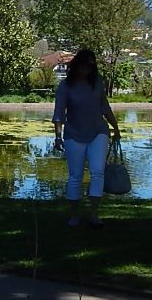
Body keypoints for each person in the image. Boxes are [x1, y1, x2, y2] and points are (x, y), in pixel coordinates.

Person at [52, 49, 121, 227]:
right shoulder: (65, 87)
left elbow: (105, 107)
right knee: (75, 175)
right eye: (83, 67)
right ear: (76, 66)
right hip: (74, 133)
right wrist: (58, 137)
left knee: (97, 171)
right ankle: (74, 215)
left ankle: (93, 214)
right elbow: (59, 113)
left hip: (98, 131)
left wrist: (115, 127)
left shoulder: (97, 83)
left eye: (90, 67)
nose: (86, 71)